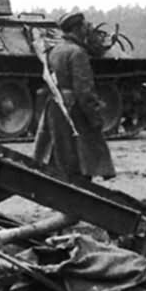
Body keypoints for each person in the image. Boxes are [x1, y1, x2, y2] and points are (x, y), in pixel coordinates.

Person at [33, 12, 115, 180]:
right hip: (75, 112)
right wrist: (95, 117)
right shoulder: (77, 53)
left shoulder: (55, 50)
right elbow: (84, 91)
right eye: (84, 26)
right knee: (83, 159)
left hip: (56, 108)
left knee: (61, 155)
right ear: (77, 29)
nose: (87, 29)